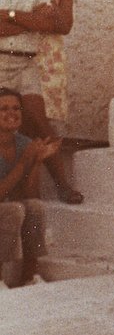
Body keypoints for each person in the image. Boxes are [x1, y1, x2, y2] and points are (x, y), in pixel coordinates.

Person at [0, 0, 81, 204]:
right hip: (0, 61)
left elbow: (49, 25)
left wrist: (10, 15)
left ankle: (62, 185)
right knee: (5, 125)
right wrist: (28, 19)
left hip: (27, 63)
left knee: (39, 120)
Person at [0, 86, 56, 287]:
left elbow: (30, 193)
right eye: (4, 109)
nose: (11, 113)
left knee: (34, 206)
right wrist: (25, 161)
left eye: (16, 108)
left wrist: (37, 162)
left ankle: (29, 276)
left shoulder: (24, 143)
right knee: (13, 210)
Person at [23, 0, 73, 135]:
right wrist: (41, 19)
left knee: (51, 115)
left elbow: (65, 26)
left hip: (51, 60)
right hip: (26, 56)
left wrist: (46, 13)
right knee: (25, 113)